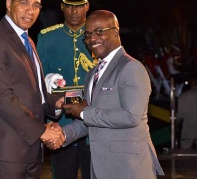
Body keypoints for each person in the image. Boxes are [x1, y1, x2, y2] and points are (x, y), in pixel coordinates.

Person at [47, 10, 165, 178]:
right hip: (100, 168)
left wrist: (82, 112)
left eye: (99, 31)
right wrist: (62, 135)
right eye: (87, 35)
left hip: (129, 168)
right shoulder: (92, 73)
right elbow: (88, 121)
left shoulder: (131, 67)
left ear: (116, 32)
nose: (92, 39)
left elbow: (130, 116)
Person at [0, 0, 66, 179]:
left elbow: (34, 90)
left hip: (32, 149)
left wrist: (56, 102)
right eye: (24, 3)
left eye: (36, 6)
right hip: (6, 149)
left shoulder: (28, 40)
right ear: (8, 4)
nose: (30, 11)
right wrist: (42, 130)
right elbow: (2, 97)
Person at [36, 0, 96, 179]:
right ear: (62, 6)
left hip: (94, 118)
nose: (74, 11)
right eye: (69, 5)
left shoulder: (98, 36)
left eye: (79, 6)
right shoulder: (47, 38)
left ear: (87, 5)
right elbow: (40, 83)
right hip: (60, 120)